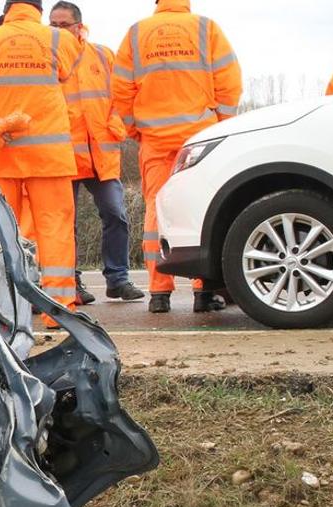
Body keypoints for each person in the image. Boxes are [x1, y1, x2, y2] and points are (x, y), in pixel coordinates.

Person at [0, 0, 83, 319]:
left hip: (0, 155)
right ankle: (59, 309)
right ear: (39, 9)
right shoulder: (58, 39)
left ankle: (0, 310)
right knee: (55, 229)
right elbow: (72, 61)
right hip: (48, 155)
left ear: (8, 9)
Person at [114, 0, 242, 314]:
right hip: (200, 138)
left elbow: (120, 91)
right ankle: (202, 292)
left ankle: (159, 293)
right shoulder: (205, 28)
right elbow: (229, 82)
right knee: (199, 207)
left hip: (155, 140)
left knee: (156, 212)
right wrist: (222, 125)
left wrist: (136, 129)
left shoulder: (136, 34)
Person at [50, 1, 146, 304]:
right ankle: (72, 282)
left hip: (101, 154)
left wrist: (116, 124)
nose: (56, 30)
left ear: (79, 26)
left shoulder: (103, 55)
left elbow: (123, 93)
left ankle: (118, 280)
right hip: (62, 156)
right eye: (52, 25)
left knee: (116, 214)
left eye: (62, 24)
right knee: (65, 225)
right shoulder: (46, 58)